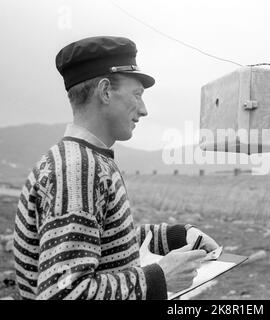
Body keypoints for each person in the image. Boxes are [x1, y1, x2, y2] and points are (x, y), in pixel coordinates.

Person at [13, 36, 218, 300]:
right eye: (137, 95)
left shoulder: (82, 159)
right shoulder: (79, 171)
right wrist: (159, 277)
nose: (143, 110)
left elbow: (97, 241)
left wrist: (175, 236)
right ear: (106, 91)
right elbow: (63, 293)